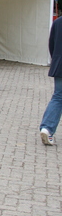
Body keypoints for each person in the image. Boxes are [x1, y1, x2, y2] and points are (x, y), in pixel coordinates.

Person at [40, 17, 62, 145]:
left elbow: (51, 44)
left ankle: (47, 128)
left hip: (59, 65)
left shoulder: (57, 22)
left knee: (58, 97)